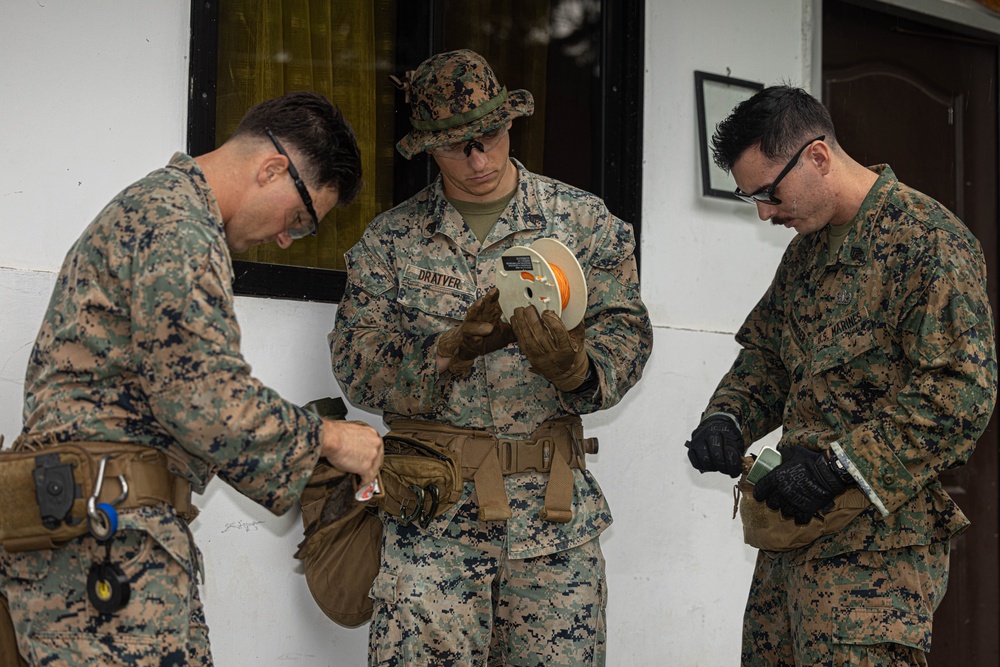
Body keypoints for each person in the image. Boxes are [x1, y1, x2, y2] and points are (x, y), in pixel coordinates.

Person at [0, 91, 383, 665]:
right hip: (104, 544)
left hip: (107, 533)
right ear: (273, 167)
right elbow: (202, 397)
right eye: (300, 220)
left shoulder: (164, 213)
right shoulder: (175, 225)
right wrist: (329, 438)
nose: (286, 238)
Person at [330, 49, 652, 665]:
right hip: (432, 525)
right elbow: (355, 362)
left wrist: (579, 370)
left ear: (510, 124)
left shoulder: (583, 223)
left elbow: (628, 332)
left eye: (488, 136)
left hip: (553, 528)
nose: (478, 159)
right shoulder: (391, 241)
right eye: (456, 147)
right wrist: (447, 352)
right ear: (428, 148)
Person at [683, 85, 997, 666]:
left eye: (769, 193)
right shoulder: (807, 252)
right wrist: (727, 416)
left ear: (818, 156)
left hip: (878, 557)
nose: (765, 213)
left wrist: (839, 465)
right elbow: (769, 358)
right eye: (750, 198)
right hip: (792, 539)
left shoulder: (928, 242)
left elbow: (960, 393)